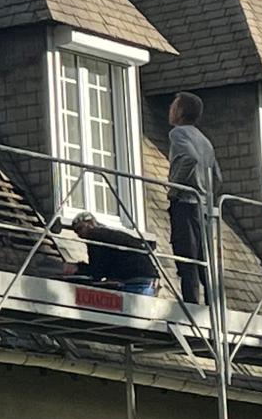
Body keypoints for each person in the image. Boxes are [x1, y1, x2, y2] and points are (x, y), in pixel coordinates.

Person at [167, 90, 220, 304]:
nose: (170, 109)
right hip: (203, 207)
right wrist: (207, 194)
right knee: (203, 259)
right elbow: (217, 177)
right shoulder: (205, 140)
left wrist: (174, 188)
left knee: (186, 257)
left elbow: (190, 158)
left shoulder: (178, 133)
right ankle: (212, 304)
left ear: (180, 111)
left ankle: (191, 305)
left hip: (186, 204)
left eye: (173, 106)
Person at [63, 212, 159, 295]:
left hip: (136, 280)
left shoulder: (95, 236)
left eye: (80, 228)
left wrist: (77, 269)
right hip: (148, 278)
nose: (79, 234)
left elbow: (97, 271)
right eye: (76, 231)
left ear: (90, 224)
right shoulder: (109, 235)